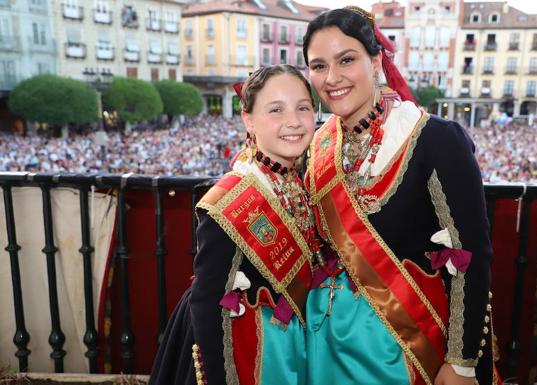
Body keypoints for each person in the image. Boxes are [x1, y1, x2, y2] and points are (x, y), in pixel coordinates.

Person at [302, 7, 500, 385]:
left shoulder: (435, 139)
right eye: (318, 65)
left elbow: (471, 254)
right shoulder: (318, 144)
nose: (332, 78)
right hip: (327, 345)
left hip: (409, 353)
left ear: (375, 60)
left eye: (347, 60)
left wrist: (460, 362)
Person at [149, 64, 319, 385]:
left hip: (282, 347)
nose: (294, 121)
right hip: (239, 352)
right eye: (275, 110)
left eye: (303, 108)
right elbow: (208, 302)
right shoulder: (233, 196)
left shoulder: (295, 179)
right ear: (248, 120)